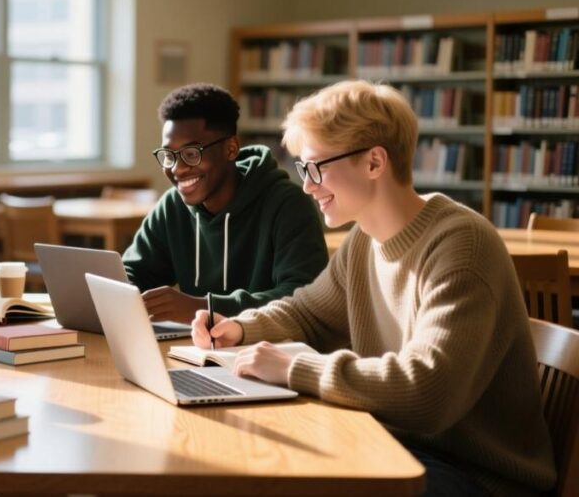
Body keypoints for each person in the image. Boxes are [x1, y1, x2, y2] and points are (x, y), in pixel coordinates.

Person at [192, 80, 556, 496]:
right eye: (302, 170)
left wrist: (295, 368)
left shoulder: (462, 246)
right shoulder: (364, 241)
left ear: (374, 163)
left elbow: (427, 391)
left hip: (478, 478)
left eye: (317, 167)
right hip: (401, 446)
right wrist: (239, 328)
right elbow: (307, 314)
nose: (308, 186)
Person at [123, 83, 328, 322]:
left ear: (231, 149)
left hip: (269, 350)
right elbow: (134, 274)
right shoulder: (173, 206)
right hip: (196, 349)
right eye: (169, 156)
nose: (176, 168)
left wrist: (206, 308)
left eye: (191, 153)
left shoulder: (288, 204)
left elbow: (303, 297)